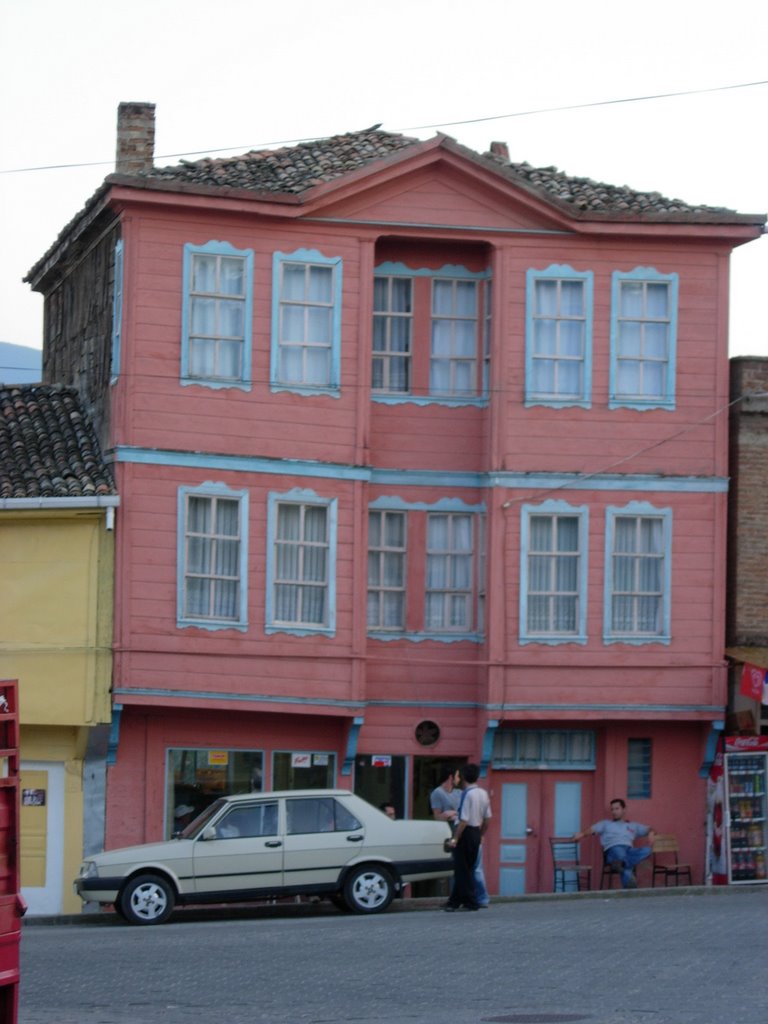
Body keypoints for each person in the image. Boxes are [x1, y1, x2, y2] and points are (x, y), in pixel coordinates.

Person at [573, 798, 655, 889]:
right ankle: (629, 885)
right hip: (612, 850)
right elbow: (592, 830)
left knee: (648, 850)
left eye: (617, 809)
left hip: (628, 850)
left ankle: (620, 865)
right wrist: (582, 834)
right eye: (612, 809)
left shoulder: (633, 825)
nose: (614, 812)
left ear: (624, 809)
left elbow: (650, 829)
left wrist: (651, 833)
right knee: (620, 852)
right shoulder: (606, 824)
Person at [445, 763, 491, 911]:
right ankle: (454, 901)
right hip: (476, 832)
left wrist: (455, 839)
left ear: (463, 777)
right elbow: (488, 818)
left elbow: (463, 820)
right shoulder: (482, 793)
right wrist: (481, 834)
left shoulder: (466, 794)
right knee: (467, 868)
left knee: (462, 870)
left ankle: (471, 901)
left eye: (458, 775)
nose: (456, 778)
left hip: (465, 833)